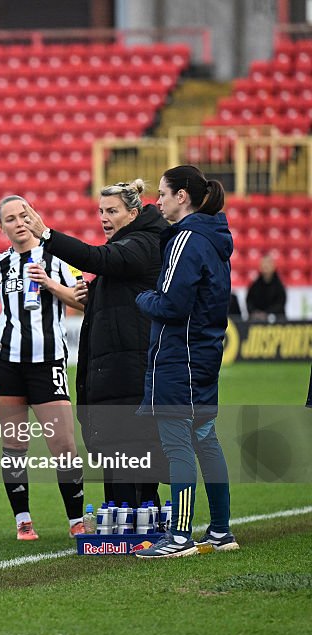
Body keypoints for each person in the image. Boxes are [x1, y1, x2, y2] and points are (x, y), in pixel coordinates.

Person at [21, 180, 169, 509]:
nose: (103, 217)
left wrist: (47, 234)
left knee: (133, 449)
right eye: (100, 210)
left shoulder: (142, 243)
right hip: (116, 371)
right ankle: (128, 519)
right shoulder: (130, 244)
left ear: (133, 213)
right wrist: (86, 294)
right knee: (120, 449)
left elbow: (97, 258)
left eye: (112, 211)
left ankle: (138, 518)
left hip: (131, 370)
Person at [134, 165, 238, 558]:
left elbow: (172, 304)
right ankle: (221, 531)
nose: (157, 201)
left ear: (182, 197)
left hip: (180, 357)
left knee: (178, 445)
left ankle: (179, 537)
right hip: (205, 354)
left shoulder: (186, 239)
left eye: (162, 193)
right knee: (207, 440)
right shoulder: (215, 239)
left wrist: (143, 298)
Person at [0, 195, 86, 540]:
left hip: (47, 361)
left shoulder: (60, 258)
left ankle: (76, 521)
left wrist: (51, 285)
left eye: (24, 215)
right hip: (6, 362)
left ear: (34, 216)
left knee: (63, 445)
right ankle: (23, 520)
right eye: (10, 219)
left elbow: (82, 300)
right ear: (1, 226)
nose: (19, 223)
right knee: (14, 444)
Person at [246, 254, 287, 321]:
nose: (266, 267)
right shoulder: (255, 285)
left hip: (275, 319)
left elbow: (280, 303)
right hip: (258, 320)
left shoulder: (279, 286)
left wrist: (267, 313)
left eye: (268, 264)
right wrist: (256, 313)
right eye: (264, 265)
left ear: (273, 266)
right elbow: (249, 302)